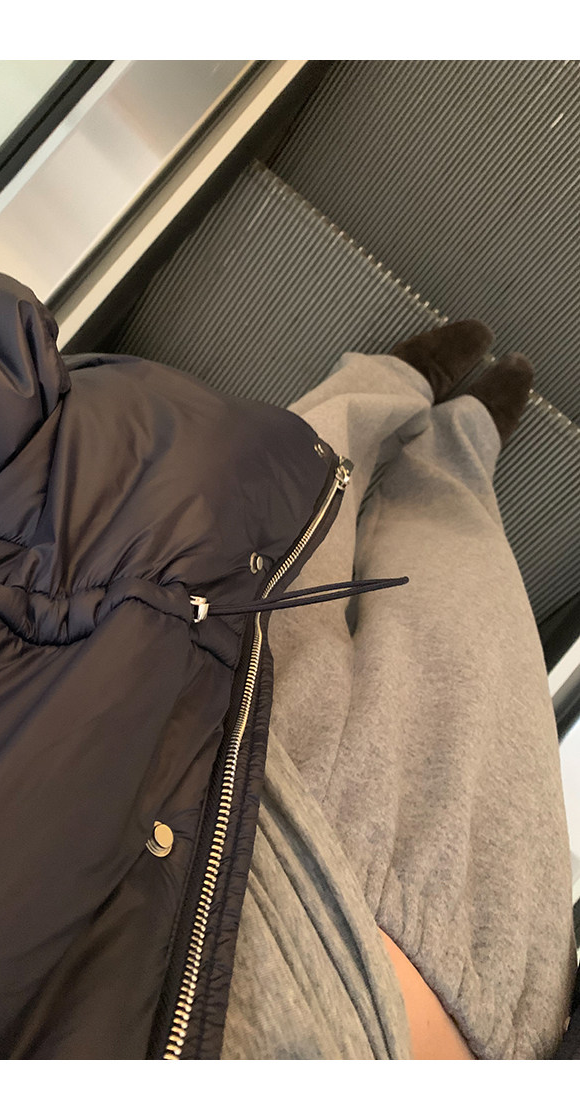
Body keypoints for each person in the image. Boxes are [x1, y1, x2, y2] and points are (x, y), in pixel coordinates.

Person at [0, 274, 575, 1059]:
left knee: (306, 469)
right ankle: (465, 441)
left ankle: (394, 380)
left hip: (150, 690)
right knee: (463, 558)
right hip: (447, 987)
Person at [221, 322, 577, 1060]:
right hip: (468, 963)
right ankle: (461, 443)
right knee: (466, 587)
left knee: (280, 492)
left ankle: (390, 382)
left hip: (193, 797)